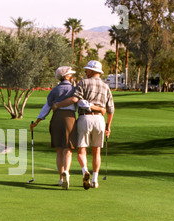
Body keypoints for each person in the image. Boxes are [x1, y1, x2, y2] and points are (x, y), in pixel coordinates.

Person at [52, 60, 114, 189]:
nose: (85, 71)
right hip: (100, 120)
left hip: (85, 118)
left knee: (81, 150)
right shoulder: (106, 86)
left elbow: (78, 100)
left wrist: (57, 105)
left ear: (92, 71)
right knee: (97, 151)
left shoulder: (84, 83)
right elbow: (111, 109)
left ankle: (85, 171)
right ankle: (95, 180)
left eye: (87, 70)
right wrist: (108, 126)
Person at [30, 66, 77, 190]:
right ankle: (66, 171)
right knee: (68, 148)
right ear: (67, 76)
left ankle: (61, 179)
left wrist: (36, 122)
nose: (72, 76)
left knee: (59, 150)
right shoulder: (74, 89)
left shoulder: (54, 90)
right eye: (71, 74)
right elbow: (80, 103)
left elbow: (46, 108)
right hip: (69, 118)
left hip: (56, 118)